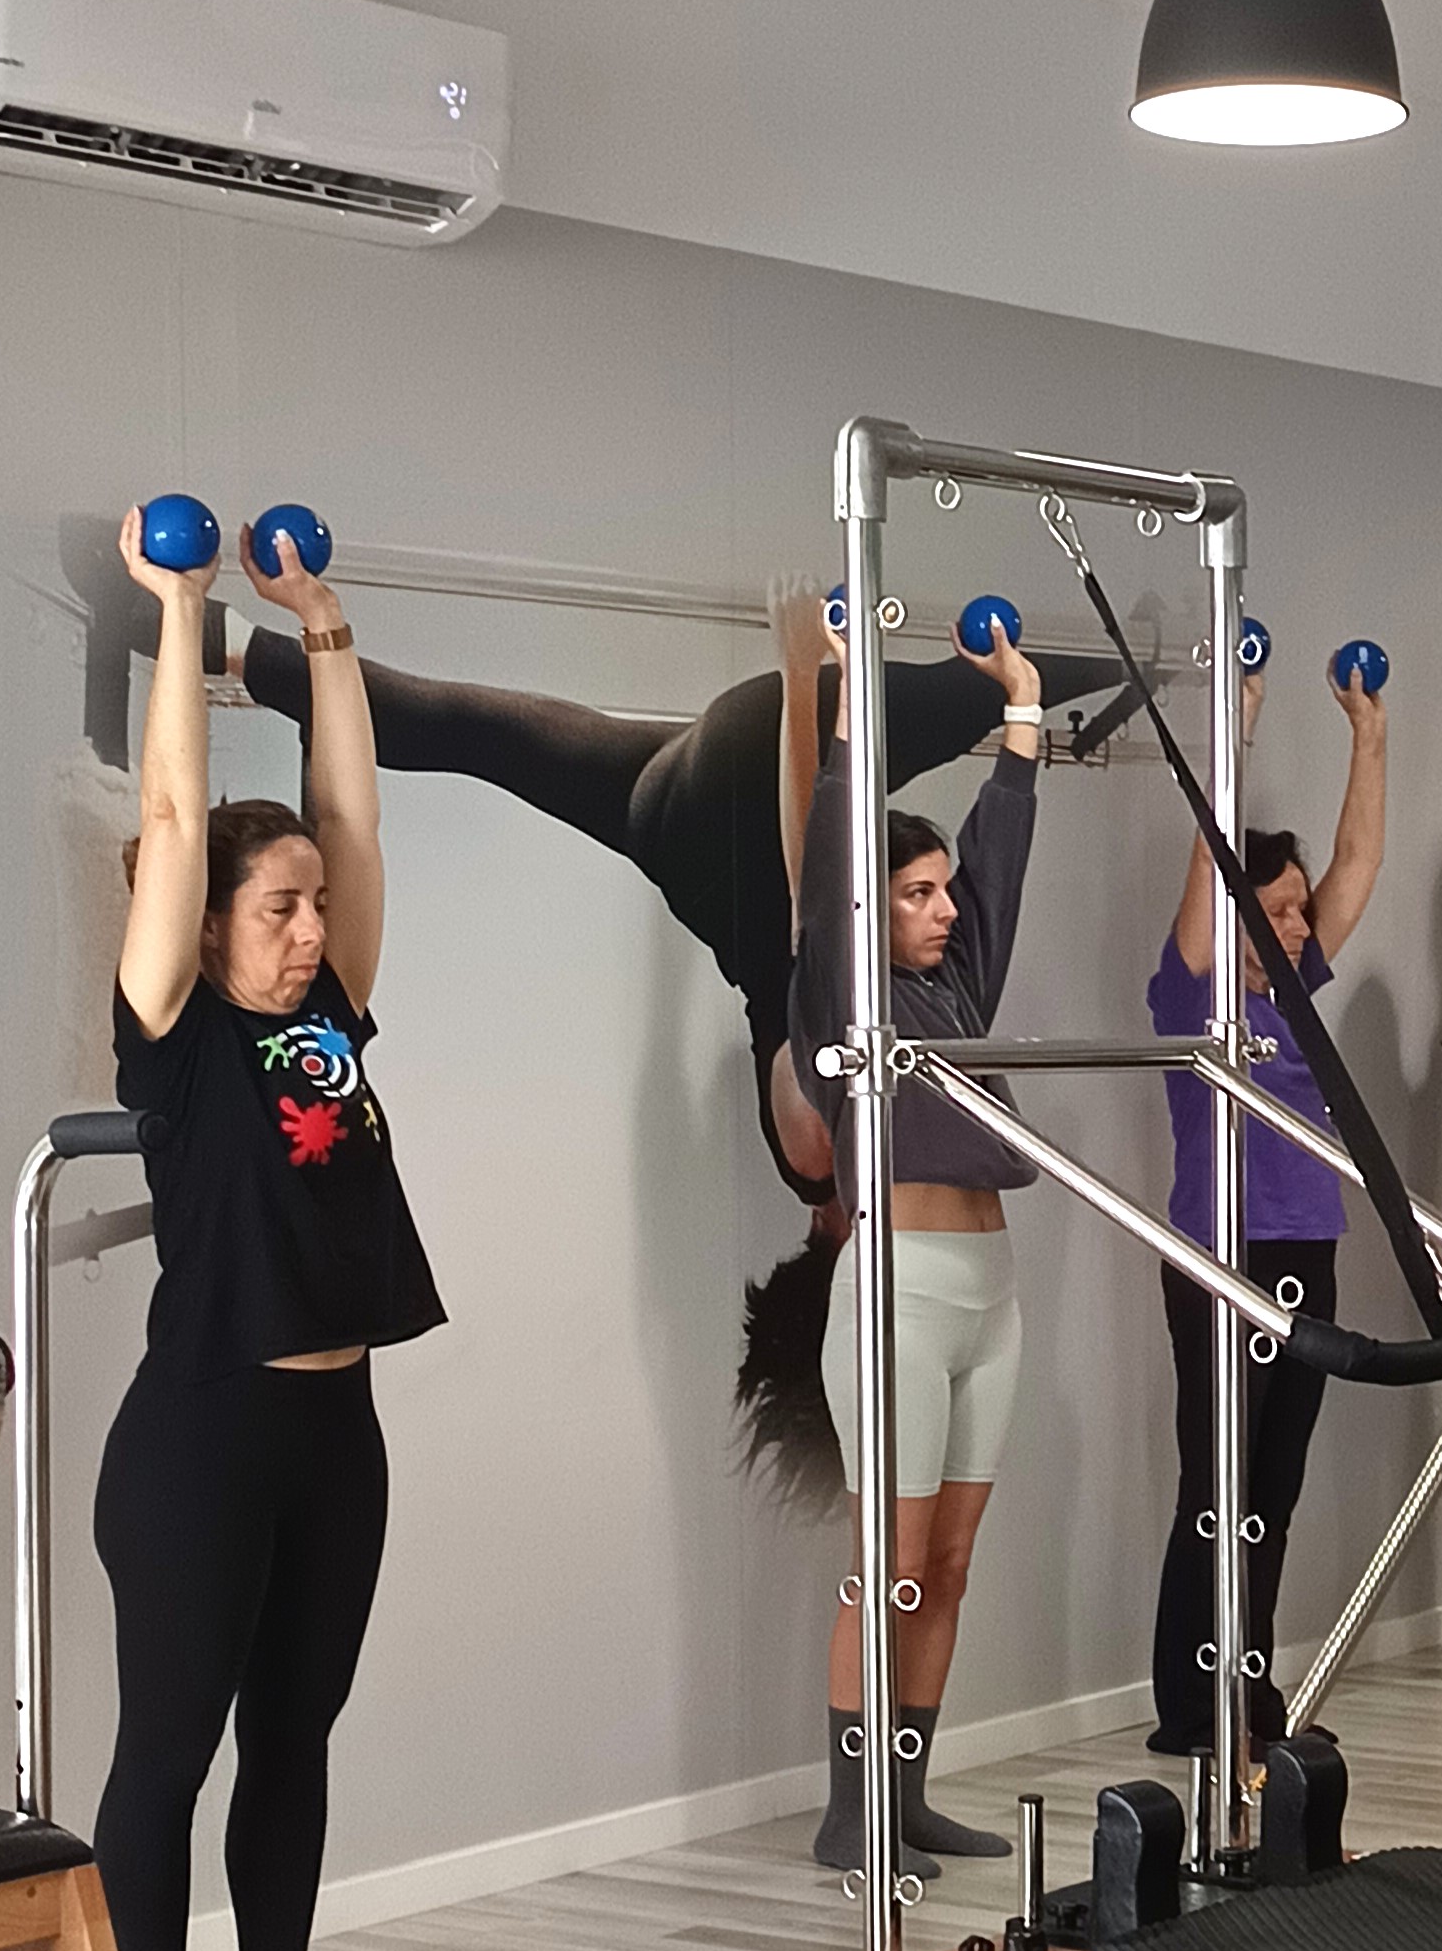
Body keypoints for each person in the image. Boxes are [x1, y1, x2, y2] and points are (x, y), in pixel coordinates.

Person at [219, 600, 1118, 1498]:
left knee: (982, 689)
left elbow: (805, 890)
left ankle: (1137, 654)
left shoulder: (818, 1149)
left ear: (840, 1266)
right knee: (481, 734)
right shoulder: (838, 1157)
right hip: (679, 819)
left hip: (744, 801)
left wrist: (799, 685)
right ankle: (233, 645)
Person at [98, 510, 444, 1951]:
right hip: (203, 1434)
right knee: (172, 1742)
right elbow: (174, 814)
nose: (310, 929)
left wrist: (324, 628)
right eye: (278, 910)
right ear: (209, 926)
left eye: (313, 907)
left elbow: (354, 820)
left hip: (333, 1429)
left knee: (293, 1734)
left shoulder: (330, 1018)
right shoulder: (173, 1032)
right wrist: (180, 609)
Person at [782, 596, 1051, 1871]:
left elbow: (1003, 859)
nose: (945, 909)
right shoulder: (846, 998)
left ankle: (910, 1790)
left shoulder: (956, 991)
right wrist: (848, 700)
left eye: (944, 891)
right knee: (887, 1564)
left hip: (989, 1288)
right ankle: (852, 1814)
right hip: (899, 1288)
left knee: (948, 1562)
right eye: (917, 893)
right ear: (868, 907)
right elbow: (834, 849)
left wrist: (1023, 709)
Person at [1143, 654, 1387, 1754]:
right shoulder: (1190, 992)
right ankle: (1191, 1704)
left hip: (1306, 1250)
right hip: (1220, 1258)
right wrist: (1231, 724)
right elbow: (1209, 856)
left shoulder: (1297, 989)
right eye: (1277, 911)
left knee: (1272, 1494)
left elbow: (1360, 861)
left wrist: (1369, 733)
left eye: (1298, 912)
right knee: (1218, 1486)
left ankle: (1249, 1689)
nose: (1298, 926)